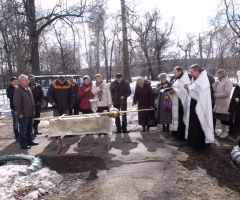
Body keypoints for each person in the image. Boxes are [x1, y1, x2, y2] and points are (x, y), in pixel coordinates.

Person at [184, 64, 214, 150]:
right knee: (195, 124)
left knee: (200, 123)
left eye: (192, 72)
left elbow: (197, 91)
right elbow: (194, 89)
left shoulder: (202, 80)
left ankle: (199, 144)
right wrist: (189, 87)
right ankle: (195, 143)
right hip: (195, 104)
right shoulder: (198, 79)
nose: (191, 74)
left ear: (197, 71)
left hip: (200, 106)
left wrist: (189, 87)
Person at [47, 75, 75, 153]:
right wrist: (52, 101)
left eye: (63, 82)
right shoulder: (53, 84)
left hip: (66, 105)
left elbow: (72, 94)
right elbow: (49, 94)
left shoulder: (69, 83)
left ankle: (67, 132)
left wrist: (72, 103)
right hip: (56, 105)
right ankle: (57, 134)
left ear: (64, 80)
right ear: (58, 80)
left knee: (66, 120)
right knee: (56, 121)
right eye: (60, 82)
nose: (61, 83)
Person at [13, 74, 38, 149]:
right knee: (23, 130)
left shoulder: (28, 88)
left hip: (30, 112)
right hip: (23, 114)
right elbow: (17, 103)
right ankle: (23, 144)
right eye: (25, 80)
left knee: (29, 129)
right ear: (20, 81)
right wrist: (20, 113)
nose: (27, 81)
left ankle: (30, 141)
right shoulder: (18, 90)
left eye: (27, 80)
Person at [169, 67, 191, 140]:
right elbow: (176, 88)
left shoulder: (185, 79)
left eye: (175, 72)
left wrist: (174, 90)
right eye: (173, 72)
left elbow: (184, 92)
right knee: (176, 118)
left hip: (182, 103)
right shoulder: (177, 79)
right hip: (176, 102)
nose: (174, 74)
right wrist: (171, 91)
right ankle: (176, 133)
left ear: (180, 71)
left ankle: (182, 135)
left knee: (181, 119)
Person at [212, 69, 233, 138]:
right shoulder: (220, 81)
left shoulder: (228, 82)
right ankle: (222, 131)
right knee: (221, 118)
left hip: (224, 103)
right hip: (219, 103)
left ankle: (225, 132)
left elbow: (227, 93)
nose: (217, 76)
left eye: (219, 74)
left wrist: (217, 95)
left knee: (225, 118)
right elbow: (216, 90)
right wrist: (215, 85)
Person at [6, 76, 19, 142]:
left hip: (20, 108)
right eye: (14, 81)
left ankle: (22, 135)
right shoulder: (9, 88)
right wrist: (14, 89)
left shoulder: (18, 87)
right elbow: (9, 96)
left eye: (16, 81)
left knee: (22, 122)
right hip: (14, 108)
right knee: (16, 123)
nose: (16, 83)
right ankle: (17, 136)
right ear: (11, 82)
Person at [228, 71, 240, 139]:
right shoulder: (237, 86)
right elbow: (232, 98)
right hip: (235, 108)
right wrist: (229, 109)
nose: (236, 77)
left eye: (237, 76)